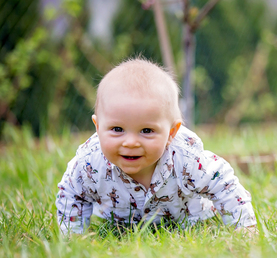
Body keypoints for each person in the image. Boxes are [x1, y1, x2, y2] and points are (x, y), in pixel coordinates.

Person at [56, 57, 256, 234]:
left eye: (146, 131)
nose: (131, 142)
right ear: (97, 127)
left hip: (187, 221)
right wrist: (73, 236)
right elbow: (72, 193)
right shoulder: (90, 163)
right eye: (117, 129)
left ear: (171, 133)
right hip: (118, 224)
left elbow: (223, 183)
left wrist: (244, 226)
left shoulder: (186, 159)